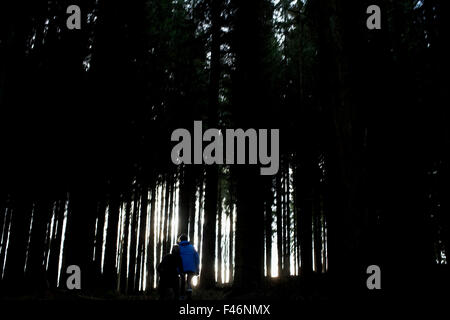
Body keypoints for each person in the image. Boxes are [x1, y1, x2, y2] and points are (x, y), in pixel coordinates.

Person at [177, 234, 199, 300]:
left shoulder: (178, 247)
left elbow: (177, 259)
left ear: (180, 240)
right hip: (191, 267)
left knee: (182, 280)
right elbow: (196, 257)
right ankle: (189, 294)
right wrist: (197, 268)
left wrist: (177, 269)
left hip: (182, 267)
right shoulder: (192, 247)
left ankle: (182, 296)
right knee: (189, 281)